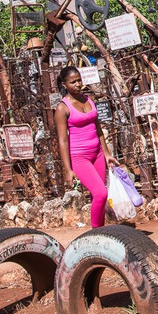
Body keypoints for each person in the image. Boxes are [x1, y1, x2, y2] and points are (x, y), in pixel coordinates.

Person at [54, 65, 117, 227]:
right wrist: (68, 170)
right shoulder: (62, 108)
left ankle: (101, 230)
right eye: (73, 82)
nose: (77, 84)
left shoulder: (88, 100)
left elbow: (98, 128)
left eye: (79, 80)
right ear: (64, 84)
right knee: (101, 193)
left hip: (98, 154)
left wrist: (106, 153)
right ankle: (96, 231)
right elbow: (63, 140)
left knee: (98, 196)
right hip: (79, 157)